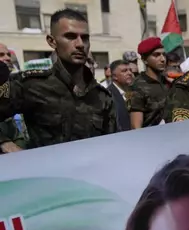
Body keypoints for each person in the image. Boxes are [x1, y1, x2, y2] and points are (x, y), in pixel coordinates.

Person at [0, 8, 116, 150]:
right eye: (70, 36)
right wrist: (5, 143)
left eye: (85, 38)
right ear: (52, 41)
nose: (80, 44)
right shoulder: (29, 85)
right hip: (46, 170)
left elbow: (112, 142)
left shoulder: (101, 96)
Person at [128, 37, 167, 129]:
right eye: (156, 55)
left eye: (164, 54)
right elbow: (136, 126)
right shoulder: (135, 87)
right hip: (151, 139)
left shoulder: (166, 81)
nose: (163, 59)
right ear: (145, 60)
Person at [107, 60, 134, 132]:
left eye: (130, 70)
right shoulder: (108, 95)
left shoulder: (135, 91)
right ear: (114, 76)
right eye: (124, 71)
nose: (130, 73)